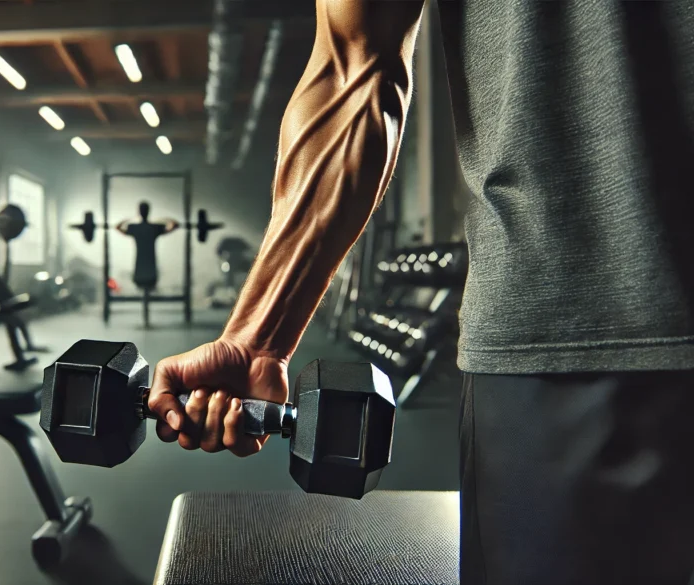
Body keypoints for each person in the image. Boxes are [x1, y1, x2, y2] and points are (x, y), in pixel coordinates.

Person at [147, 1, 694, 583]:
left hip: (575, 339)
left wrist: (257, 343)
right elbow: (355, 69)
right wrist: (256, 341)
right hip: (576, 336)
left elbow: (354, 69)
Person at [115, 201, 179, 290]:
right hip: (151, 270)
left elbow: (118, 227)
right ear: (148, 211)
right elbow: (175, 225)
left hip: (140, 270)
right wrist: (164, 219)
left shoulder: (135, 228)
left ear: (139, 212)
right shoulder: (154, 228)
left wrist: (126, 220)